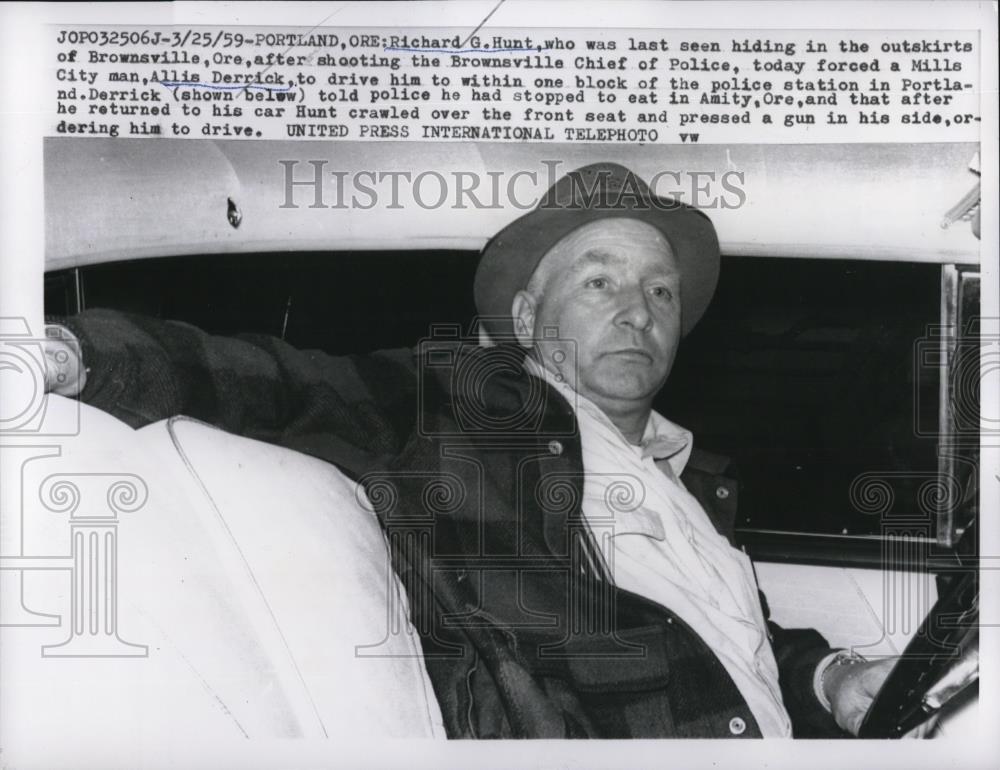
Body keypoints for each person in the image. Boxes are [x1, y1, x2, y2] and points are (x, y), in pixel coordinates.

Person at [44, 162, 892, 738]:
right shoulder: (470, 408)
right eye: (601, 282)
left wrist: (831, 680)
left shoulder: (692, 481)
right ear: (525, 320)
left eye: (660, 290)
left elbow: (736, 639)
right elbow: (285, 381)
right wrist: (80, 354)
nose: (639, 309)